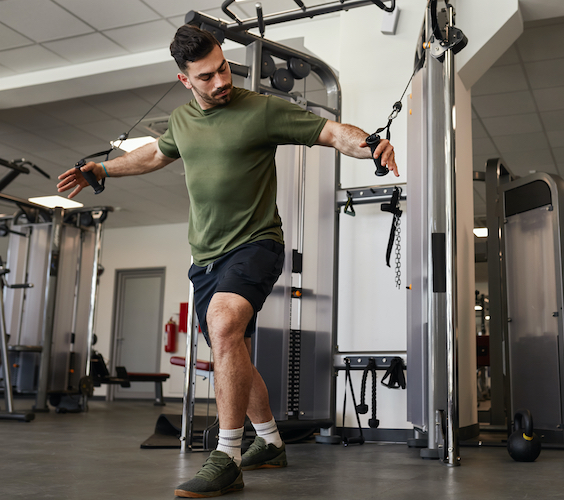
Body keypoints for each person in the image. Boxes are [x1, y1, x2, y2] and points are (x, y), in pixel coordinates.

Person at [57, 24, 397, 498]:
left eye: (222, 68)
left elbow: (330, 132)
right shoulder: (181, 122)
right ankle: (271, 443)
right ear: (185, 81)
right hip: (206, 259)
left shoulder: (260, 110)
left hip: (257, 243)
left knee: (222, 326)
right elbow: (155, 154)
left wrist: (371, 145)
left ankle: (227, 456)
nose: (220, 81)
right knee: (229, 348)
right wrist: (103, 170)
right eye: (206, 77)